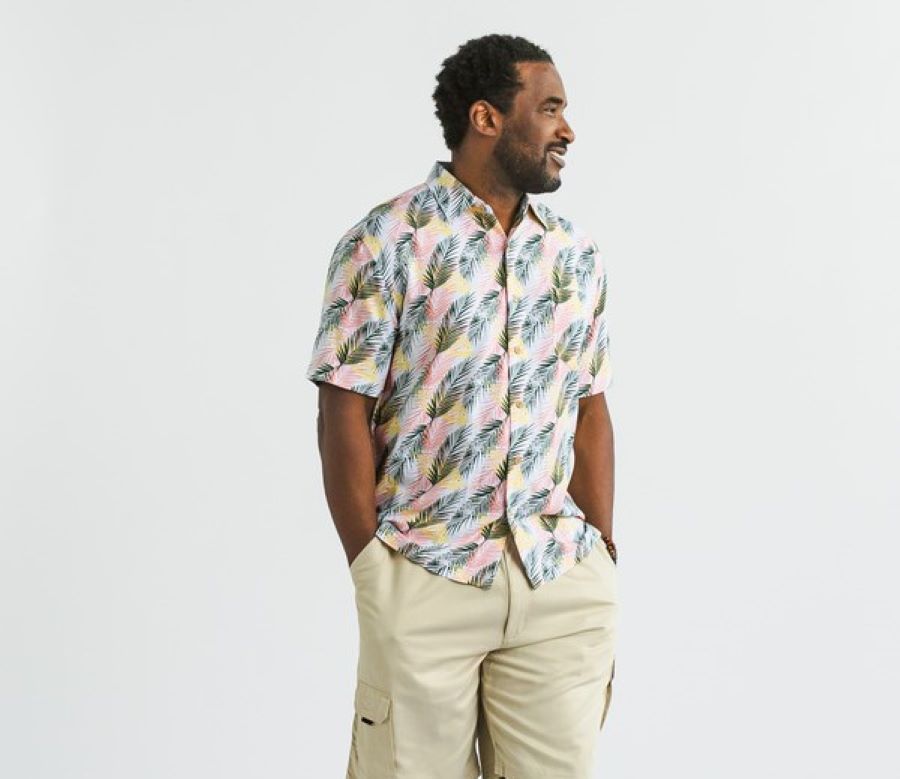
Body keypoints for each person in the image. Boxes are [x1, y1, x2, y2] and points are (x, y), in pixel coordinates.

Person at [305, 32, 618, 779]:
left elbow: (591, 406)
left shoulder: (573, 254)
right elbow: (342, 410)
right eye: (549, 109)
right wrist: (372, 569)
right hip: (425, 571)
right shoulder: (386, 241)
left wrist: (602, 547)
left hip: (557, 579)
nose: (567, 130)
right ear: (486, 118)